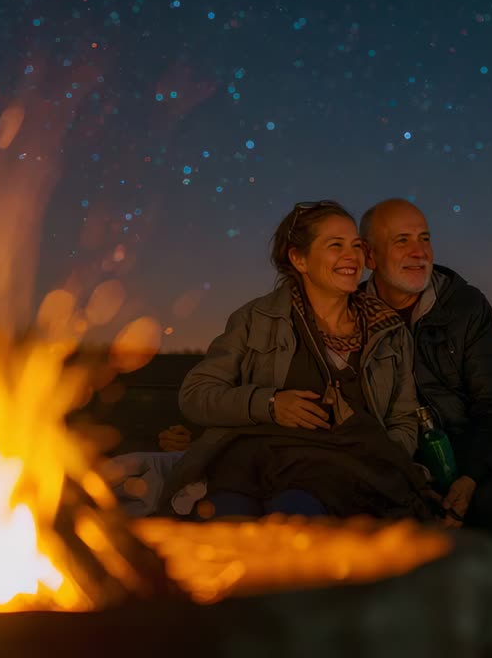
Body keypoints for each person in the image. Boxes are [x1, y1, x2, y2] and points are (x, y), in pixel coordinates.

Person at [167, 200, 431, 520]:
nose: (352, 256)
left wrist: (363, 442)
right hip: (248, 468)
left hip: (341, 479)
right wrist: (269, 404)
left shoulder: (389, 332)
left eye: (357, 245)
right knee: (228, 528)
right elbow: (195, 394)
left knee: (296, 520)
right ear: (299, 259)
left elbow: (403, 423)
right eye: (335, 245)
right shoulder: (257, 319)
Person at [359, 198, 492, 568]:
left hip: (473, 463)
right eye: (402, 240)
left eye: (425, 238)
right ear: (370, 257)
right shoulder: (349, 316)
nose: (419, 252)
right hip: (394, 465)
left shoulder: (464, 307)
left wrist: (468, 478)